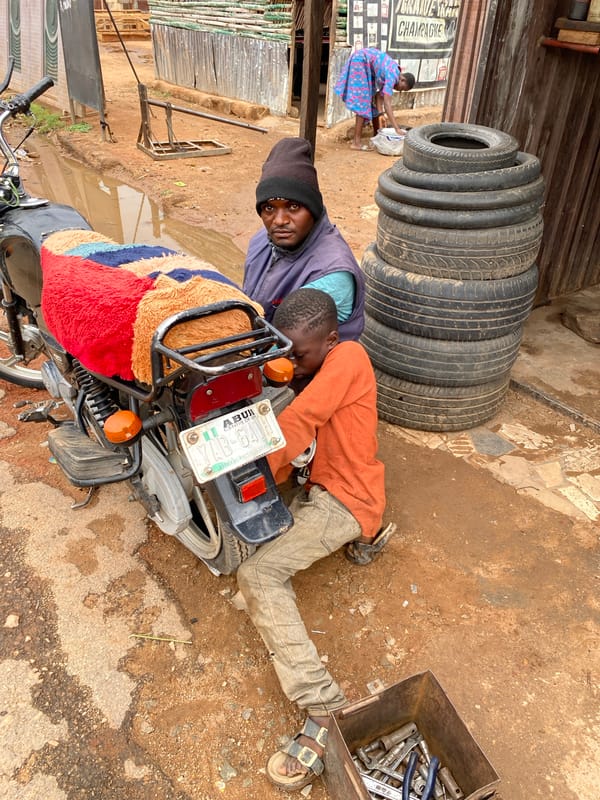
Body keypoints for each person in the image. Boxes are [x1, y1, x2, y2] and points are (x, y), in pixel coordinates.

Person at [235, 288, 395, 792]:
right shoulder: (323, 361)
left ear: (330, 339)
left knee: (257, 575)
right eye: (284, 350)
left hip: (345, 500)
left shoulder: (349, 356)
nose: (290, 362)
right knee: (256, 544)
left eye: (299, 354)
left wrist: (248, 471)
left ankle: (323, 705)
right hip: (322, 485)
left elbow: (300, 422)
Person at [242, 137, 366, 341]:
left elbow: (288, 349)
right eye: (269, 208)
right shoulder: (261, 242)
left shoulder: (332, 275)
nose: (279, 221)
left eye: (293, 207)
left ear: (313, 209)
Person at [334, 47, 415, 151]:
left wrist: (381, 114)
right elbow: (387, 104)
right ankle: (356, 143)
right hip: (361, 61)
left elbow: (379, 96)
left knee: (368, 101)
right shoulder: (393, 76)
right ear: (402, 79)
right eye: (402, 88)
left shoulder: (393, 71)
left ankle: (376, 137)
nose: (399, 90)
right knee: (363, 103)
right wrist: (396, 128)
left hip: (365, 64)